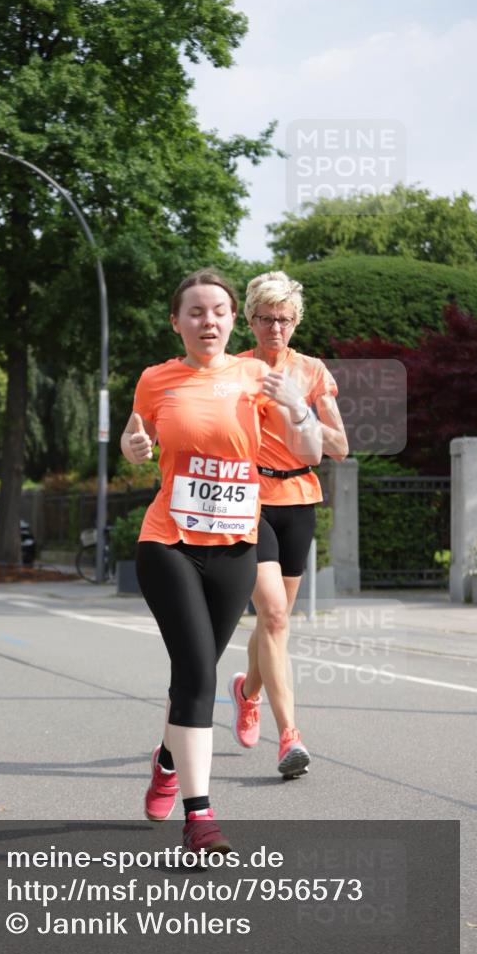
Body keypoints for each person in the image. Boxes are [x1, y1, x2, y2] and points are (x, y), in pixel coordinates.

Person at [121, 269, 322, 854]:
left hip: (236, 543)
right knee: (198, 673)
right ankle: (200, 816)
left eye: (218, 312)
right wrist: (135, 448)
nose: (207, 321)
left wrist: (297, 410)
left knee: (198, 669)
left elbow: (309, 453)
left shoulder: (258, 374)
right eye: (195, 312)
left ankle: (166, 759)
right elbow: (139, 442)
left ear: (234, 321)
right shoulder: (156, 380)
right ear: (177, 322)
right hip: (169, 540)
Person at [227, 271, 348, 777]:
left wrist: (299, 406)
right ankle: (290, 738)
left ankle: (247, 690)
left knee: (277, 620)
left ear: (296, 322)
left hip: (298, 496)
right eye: (264, 318)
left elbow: (338, 447)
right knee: (273, 615)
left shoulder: (313, 371)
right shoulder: (231, 369)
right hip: (247, 497)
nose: (275, 327)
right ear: (249, 320)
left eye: (284, 319)